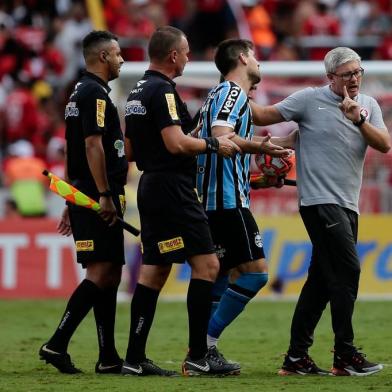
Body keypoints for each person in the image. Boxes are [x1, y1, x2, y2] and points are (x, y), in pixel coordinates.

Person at [250, 46, 391, 376]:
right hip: (318, 201)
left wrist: (358, 119)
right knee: (348, 271)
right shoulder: (307, 100)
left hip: (348, 203)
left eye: (358, 72)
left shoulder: (367, 105)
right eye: (347, 74)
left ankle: (296, 357)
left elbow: (384, 144)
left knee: (320, 283)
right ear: (331, 78)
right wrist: (233, 89)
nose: (355, 79)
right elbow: (264, 116)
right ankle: (345, 354)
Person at [121, 26, 241, 377]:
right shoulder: (164, 91)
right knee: (207, 266)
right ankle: (199, 355)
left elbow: (128, 149)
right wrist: (214, 145)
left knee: (155, 270)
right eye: (186, 52)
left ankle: (134, 357)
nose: (189, 57)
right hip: (173, 189)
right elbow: (176, 143)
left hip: (151, 186)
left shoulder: (137, 91)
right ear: (173, 55)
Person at [195, 39, 293, 369]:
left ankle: (203, 354)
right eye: (254, 55)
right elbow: (223, 136)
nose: (259, 61)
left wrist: (286, 145)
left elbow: (216, 145)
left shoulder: (217, 96)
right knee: (255, 275)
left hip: (215, 200)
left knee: (223, 276)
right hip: (226, 202)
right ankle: (201, 348)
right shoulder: (232, 93)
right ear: (241, 58)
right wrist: (263, 150)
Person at [39, 30, 128, 374]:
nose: (122, 60)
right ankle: (57, 344)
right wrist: (103, 195)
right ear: (103, 57)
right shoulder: (94, 93)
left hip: (83, 192)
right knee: (101, 271)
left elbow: (71, 147)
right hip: (97, 196)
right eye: (118, 54)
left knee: (111, 272)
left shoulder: (79, 92)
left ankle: (107, 357)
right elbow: (92, 145)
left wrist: (68, 196)